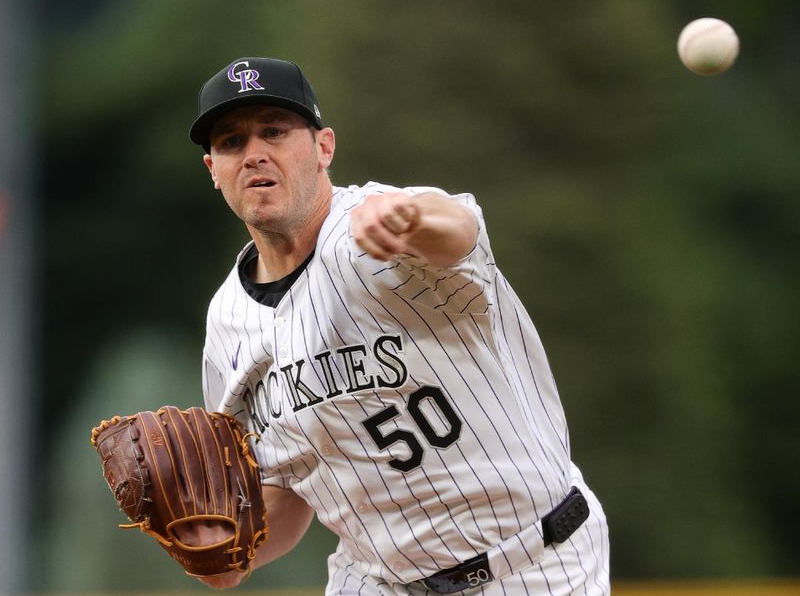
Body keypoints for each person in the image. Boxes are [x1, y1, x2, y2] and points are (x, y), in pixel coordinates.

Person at [188, 56, 610, 595]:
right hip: (377, 582)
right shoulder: (227, 322)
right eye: (231, 142)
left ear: (323, 148)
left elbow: (456, 228)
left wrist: (410, 218)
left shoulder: (377, 224)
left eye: (274, 130)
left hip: (533, 564)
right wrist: (226, 549)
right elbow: (286, 489)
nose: (254, 154)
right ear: (213, 170)